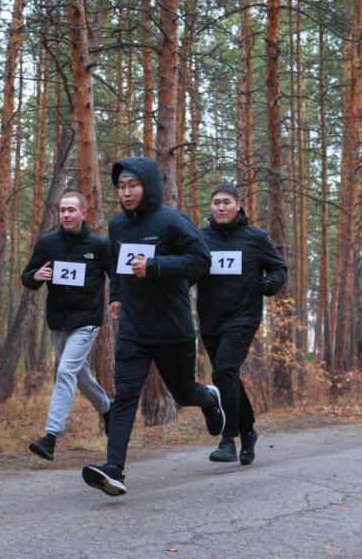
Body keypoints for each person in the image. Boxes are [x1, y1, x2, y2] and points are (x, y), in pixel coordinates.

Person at [82, 156, 225, 496]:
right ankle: (114, 468)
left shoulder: (171, 221)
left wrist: (156, 265)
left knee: (183, 393)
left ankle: (209, 398)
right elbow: (116, 267)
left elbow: (201, 260)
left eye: (133, 186)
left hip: (171, 326)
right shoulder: (117, 226)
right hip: (133, 327)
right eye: (121, 187)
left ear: (148, 186)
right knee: (125, 396)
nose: (126, 193)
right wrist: (116, 295)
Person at [196, 184, 288, 464]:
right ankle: (249, 431)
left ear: (238, 205)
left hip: (243, 317)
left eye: (226, 202)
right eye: (215, 202)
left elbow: (279, 268)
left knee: (223, 370)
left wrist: (267, 285)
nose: (220, 207)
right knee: (228, 376)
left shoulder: (255, 238)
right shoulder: (200, 239)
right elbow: (188, 269)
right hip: (210, 318)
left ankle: (229, 439)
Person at [22, 192, 112, 461]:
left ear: (84, 214)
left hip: (86, 321)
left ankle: (50, 437)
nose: (66, 215)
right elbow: (28, 276)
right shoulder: (48, 244)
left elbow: (117, 275)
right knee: (78, 374)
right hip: (58, 322)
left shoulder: (99, 245)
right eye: (62, 210)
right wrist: (35, 276)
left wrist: (118, 300)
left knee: (65, 371)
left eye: (71, 210)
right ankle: (108, 410)